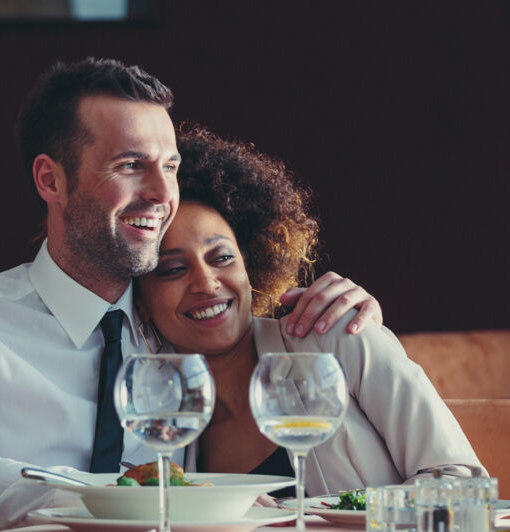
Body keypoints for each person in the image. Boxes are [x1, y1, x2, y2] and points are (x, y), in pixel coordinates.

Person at [0, 58, 383, 532]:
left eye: (170, 166)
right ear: (50, 179)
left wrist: (359, 318)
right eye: (130, 165)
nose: (162, 193)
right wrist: (106, 498)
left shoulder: (179, 326)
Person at [135, 124, 485, 496]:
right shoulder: (160, 412)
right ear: (139, 298)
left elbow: (462, 483)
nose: (206, 283)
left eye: (222, 257)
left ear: (249, 264)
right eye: (172, 269)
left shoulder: (335, 335)